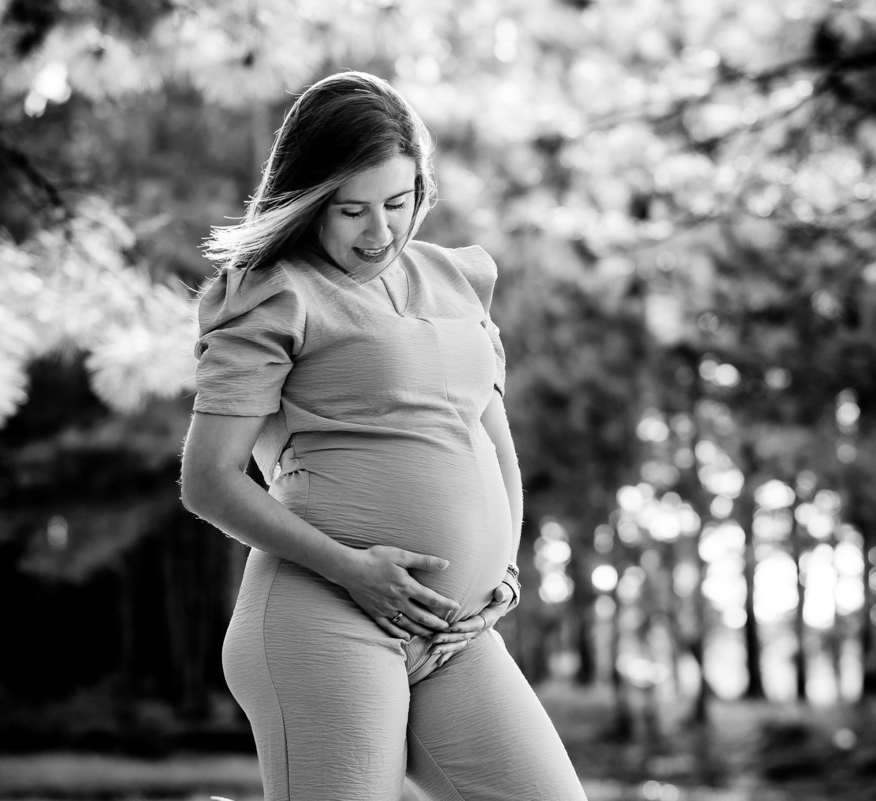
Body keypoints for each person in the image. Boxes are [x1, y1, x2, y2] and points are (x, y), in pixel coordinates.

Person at [179, 71, 588, 801]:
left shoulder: (455, 280)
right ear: (307, 201)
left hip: (455, 634)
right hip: (326, 616)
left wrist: (503, 572)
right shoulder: (275, 292)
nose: (379, 234)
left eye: (397, 204)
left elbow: (490, 440)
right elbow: (208, 479)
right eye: (351, 211)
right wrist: (351, 569)